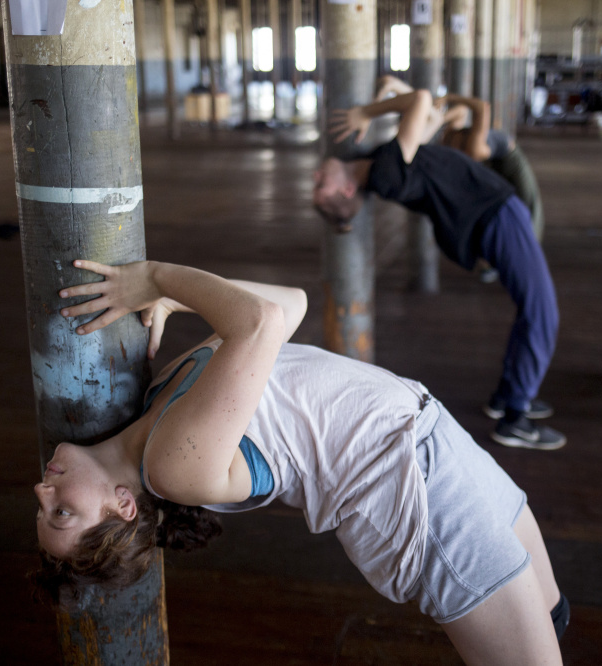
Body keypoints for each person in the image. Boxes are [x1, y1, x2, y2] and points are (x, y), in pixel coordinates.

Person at [34, 258, 569, 664]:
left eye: (45, 511)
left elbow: (290, 306)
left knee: (551, 615)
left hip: (427, 436)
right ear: (123, 506)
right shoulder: (175, 467)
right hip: (415, 494)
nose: (42, 493)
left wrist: (177, 302)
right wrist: (156, 277)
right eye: (63, 514)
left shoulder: (160, 404)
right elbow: (260, 321)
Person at [315, 88, 565, 449]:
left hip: (497, 216)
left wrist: (390, 89)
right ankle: (515, 419)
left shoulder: (381, 162)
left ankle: (508, 397)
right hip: (494, 219)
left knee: (534, 310)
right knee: (542, 313)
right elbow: (420, 99)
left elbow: (427, 116)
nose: (315, 176)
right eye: (321, 186)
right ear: (348, 190)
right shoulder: (387, 174)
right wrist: (365, 112)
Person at [374, 76, 545, 242]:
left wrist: (450, 98)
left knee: (531, 214)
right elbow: (469, 109)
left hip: (513, 160)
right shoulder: (456, 138)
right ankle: (396, 86)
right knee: (430, 117)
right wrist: (442, 114)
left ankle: (525, 243)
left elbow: (480, 107)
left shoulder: (474, 149)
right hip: (494, 161)